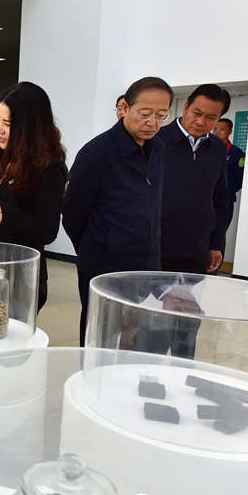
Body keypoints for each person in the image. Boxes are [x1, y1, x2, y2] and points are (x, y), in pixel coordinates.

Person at [62, 76, 173, 344]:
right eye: (145, 114)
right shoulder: (97, 152)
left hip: (146, 266)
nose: (153, 122)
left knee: (137, 335)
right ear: (124, 107)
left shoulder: (158, 148)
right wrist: (97, 246)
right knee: (101, 336)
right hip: (104, 265)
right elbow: (73, 213)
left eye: (161, 115)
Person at [0, 82, 67, 311]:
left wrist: (6, 212)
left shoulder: (48, 169)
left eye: (8, 123)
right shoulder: (4, 157)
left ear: (30, 127)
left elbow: (47, 230)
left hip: (20, 277)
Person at [156, 84, 230, 274]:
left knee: (192, 294)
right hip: (155, 246)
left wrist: (217, 244)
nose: (200, 121)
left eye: (210, 117)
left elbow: (221, 200)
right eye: (196, 113)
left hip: (197, 250)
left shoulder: (217, 148)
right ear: (186, 107)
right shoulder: (156, 140)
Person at [212, 117, 245, 230]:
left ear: (230, 132)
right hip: (206, 199)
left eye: (222, 129)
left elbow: (239, 178)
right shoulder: (206, 149)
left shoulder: (237, 153)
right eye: (215, 129)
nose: (217, 132)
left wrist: (228, 190)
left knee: (220, 232)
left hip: (225, 200)